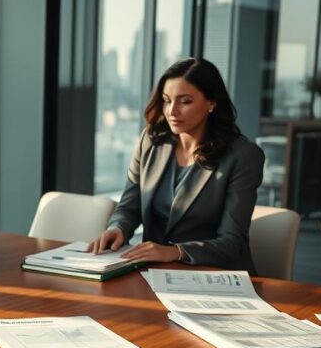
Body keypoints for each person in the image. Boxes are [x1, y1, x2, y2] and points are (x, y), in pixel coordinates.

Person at [87, 58, 264, 272]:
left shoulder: (243, 156)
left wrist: (175, 251)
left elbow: (232, 243)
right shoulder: (151, 141)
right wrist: (118, 229)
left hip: (213, 275)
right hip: (152, 272)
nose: (172, 111)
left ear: (212, 103)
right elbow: (129, 207)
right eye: (166, 100)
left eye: (185, 101)